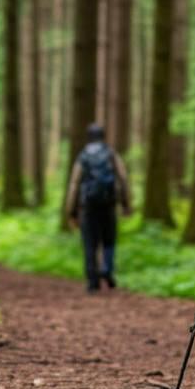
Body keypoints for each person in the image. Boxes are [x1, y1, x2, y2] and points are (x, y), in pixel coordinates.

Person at [63, 123, 132, 293]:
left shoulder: (83, 156)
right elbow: (123, 178)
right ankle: (107, 270)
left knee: (90, 243)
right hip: (108, 205)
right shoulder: (111, 154)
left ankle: (92, 281)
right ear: (103, 136)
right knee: (109, 240)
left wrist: (71, 210)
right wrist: (126, 203)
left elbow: (74, 184)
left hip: (88, 207)